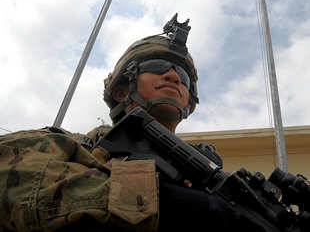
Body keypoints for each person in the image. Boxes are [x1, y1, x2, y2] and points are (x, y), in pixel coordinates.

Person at [0, 14, 235, 231]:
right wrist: (155, 202)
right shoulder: (72, 146)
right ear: (122, 91)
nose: (173, 77)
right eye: (157, 67)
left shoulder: (211, 183)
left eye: (183, 77)